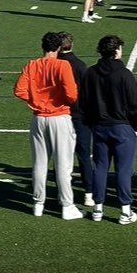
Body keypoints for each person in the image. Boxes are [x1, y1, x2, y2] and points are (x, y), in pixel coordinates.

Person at [13, 31, 82, 220]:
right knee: (63, 164)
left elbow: (19, 90)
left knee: (39, 162)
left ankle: (38, 203)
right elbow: (72, 95)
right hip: (59, 117)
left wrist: (36, 101)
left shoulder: (32, 65)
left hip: (39, 118)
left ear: (43, 47)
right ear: (59, 48)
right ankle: (67, 205)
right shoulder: (62, 65)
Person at [80, 34, 137, 225]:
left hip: (99, 126)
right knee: (123, 169)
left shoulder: (91, 73)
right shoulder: (124, 74)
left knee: (100, 167)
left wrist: (91, 122)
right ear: (116, 52)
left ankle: (98, 208)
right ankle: (125, 210)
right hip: (121, 126)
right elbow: (134, 104)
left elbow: (84, 103)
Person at [58, 32, 94, 208]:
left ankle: (63, 193)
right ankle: (88, 193)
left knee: (61, 156)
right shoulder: (80, 65)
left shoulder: (54, 63)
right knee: (84, 155)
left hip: (59, 114)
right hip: (79, 115)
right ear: (72, 44)